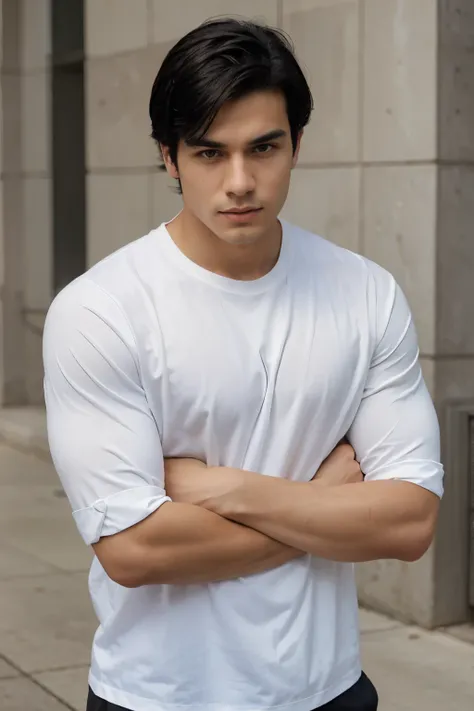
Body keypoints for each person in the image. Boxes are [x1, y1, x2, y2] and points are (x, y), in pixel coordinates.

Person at [43, 17, 444, 711]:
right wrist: (324, 499)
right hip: (159, 694)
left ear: (296, 145)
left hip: (329, 689)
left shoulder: (366, 294)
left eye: (264, 147)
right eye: (208, 153)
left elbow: (408, 523)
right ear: (168, 157)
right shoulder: (102, 311)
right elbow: (134, 552)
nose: (240, 181)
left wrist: (216, 486)